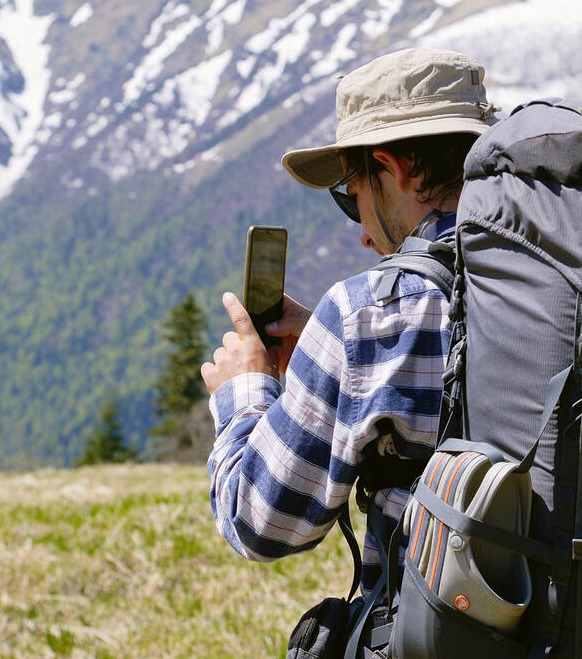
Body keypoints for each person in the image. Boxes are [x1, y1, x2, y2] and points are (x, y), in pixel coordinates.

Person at [200, 47, 497, 598]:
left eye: (352, 196)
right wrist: (330, 353)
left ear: (394, 168)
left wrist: (246, 392)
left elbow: (261, 521)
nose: (362, 233)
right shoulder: (568, 279)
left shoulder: (368, 317)